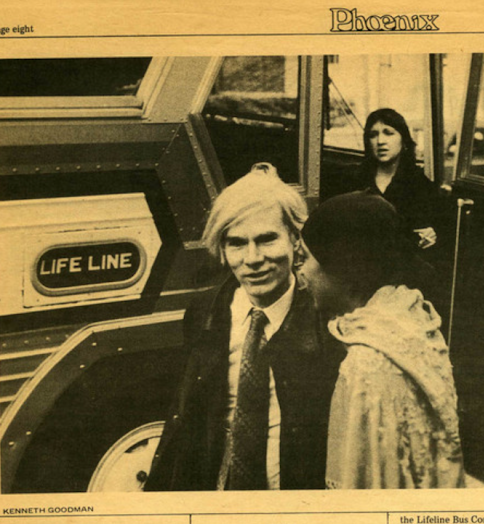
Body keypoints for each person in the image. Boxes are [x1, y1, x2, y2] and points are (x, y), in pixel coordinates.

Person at [144, 163, 344, 492]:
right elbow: (187, 421)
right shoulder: (205, 313)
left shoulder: (328, 320)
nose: (252, 259)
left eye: (266, 239)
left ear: (296, 240)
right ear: (221, 249)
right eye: (236, 243)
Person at [297, 192, 465, 489]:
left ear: (344, 268)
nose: (301, 273)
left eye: (305, 259)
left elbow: (363, 484)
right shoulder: (410, 312)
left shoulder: (366, 366)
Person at [358, 108, 441, 251]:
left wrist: (432, 233)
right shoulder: (354, 179)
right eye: (373, 135)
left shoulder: (420, 185)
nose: (380, 141)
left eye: (388, 133)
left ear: (404, 141)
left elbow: (435, 227)